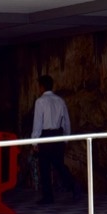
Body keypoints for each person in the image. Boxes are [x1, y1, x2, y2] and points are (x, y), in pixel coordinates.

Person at [32, 74, 77, 205]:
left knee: (44, 167)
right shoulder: (60, 100)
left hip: (46, 136)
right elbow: (66, 121)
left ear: (41, 87)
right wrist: (66, 138)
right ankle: (73, 186)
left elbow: (38, 123)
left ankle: (48, 197)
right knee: (59, 165)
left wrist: (34, 141)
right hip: (58, 135)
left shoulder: (40, 101)